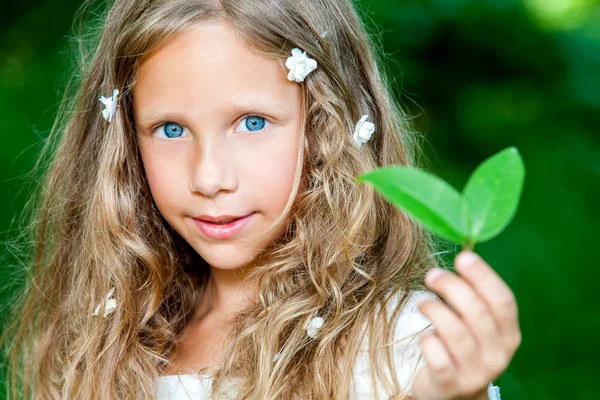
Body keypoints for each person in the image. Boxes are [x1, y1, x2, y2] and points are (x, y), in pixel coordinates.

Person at [0, 0, 521, 399]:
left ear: (327, 124)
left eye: (252, 123)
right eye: (170, 129)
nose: (208, 176)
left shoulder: (403, 344)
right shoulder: (110, 340)